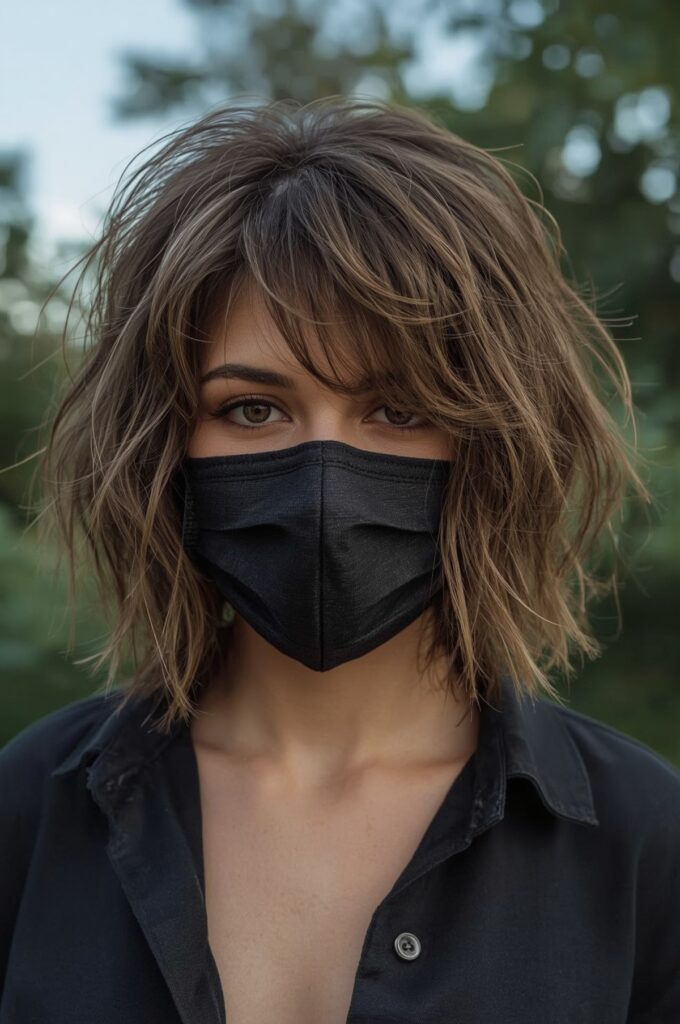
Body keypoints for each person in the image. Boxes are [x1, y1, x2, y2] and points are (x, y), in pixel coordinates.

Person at [1, 95, 678, 1024]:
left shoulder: (649, 844)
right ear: (164, 445)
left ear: (496, 441)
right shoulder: (24, 812)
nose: (324, 479)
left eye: (400, 410)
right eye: (251, 408)